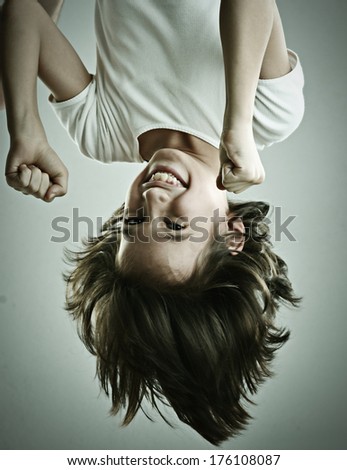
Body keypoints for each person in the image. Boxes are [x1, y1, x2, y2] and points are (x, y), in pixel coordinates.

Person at [1, 0, 304, 445]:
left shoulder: (102, 134)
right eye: (175, 228)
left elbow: (23, 12)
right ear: (232, 232)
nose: (153, 198)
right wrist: (237, 121)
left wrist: (24, 128)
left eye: (135, 220)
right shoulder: (269, 116)